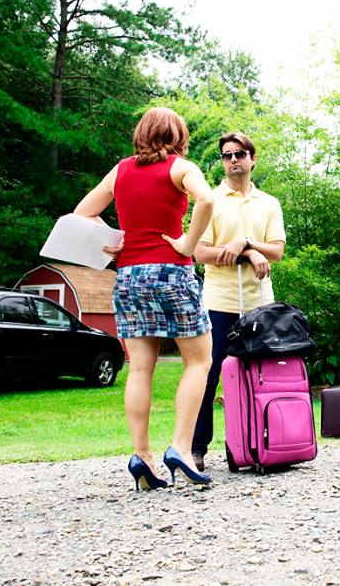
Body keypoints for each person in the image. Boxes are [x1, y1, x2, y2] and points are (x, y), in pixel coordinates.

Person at [74, 107, 215, 490]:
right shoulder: (181, 168)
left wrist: (115, 242)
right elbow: (206, 201)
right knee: (199, 361)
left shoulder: (120, 171)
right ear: (177, 136)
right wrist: (187, 242)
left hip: (129, 277)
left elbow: (82, 214)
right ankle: (181, 450)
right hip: (171, 271)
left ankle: (143, 456)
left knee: (139, 369)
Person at [191, 132, 286, 471]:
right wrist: (248, 252)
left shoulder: (269, 203)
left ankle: (253, 446)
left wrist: (245, 243)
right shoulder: (210, 201)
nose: (234, 160)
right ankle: (197, 447)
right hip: (220, 301)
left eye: (240, 154)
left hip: (261, 302)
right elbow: (200, 252)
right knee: (208, 373)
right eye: (227, 155)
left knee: (259, 375)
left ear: (253, 158)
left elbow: (276, 250)